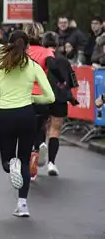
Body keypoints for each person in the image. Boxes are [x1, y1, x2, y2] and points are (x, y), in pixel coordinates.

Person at [0, 30, 55, 217]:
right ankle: (22, 204)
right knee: (24, 159)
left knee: (7, 159)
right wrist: (31, 98)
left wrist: (3, 98)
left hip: (5, 114)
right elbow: (50, 97)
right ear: (27, 46)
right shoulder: (33, 66)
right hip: (26, 114)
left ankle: (10, 165)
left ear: (8, 43)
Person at [24, 23, 63, 180]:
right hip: (41, 97)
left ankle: (29, 164)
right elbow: (54, 68)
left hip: (23, 97)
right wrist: (61, 81)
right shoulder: (47, 52)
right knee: (40, 127)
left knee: (26, 132)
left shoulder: (21, 51)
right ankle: (38, 147)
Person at [41, 32, 79, 177]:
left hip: (42, 96)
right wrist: (70, 96)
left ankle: (39, 149)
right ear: (57, 44)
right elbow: (73, 81)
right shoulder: (64, 60)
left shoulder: (40, 57)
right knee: (55, 130)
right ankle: (51, 162)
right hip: (60, 97)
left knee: (40, 127)